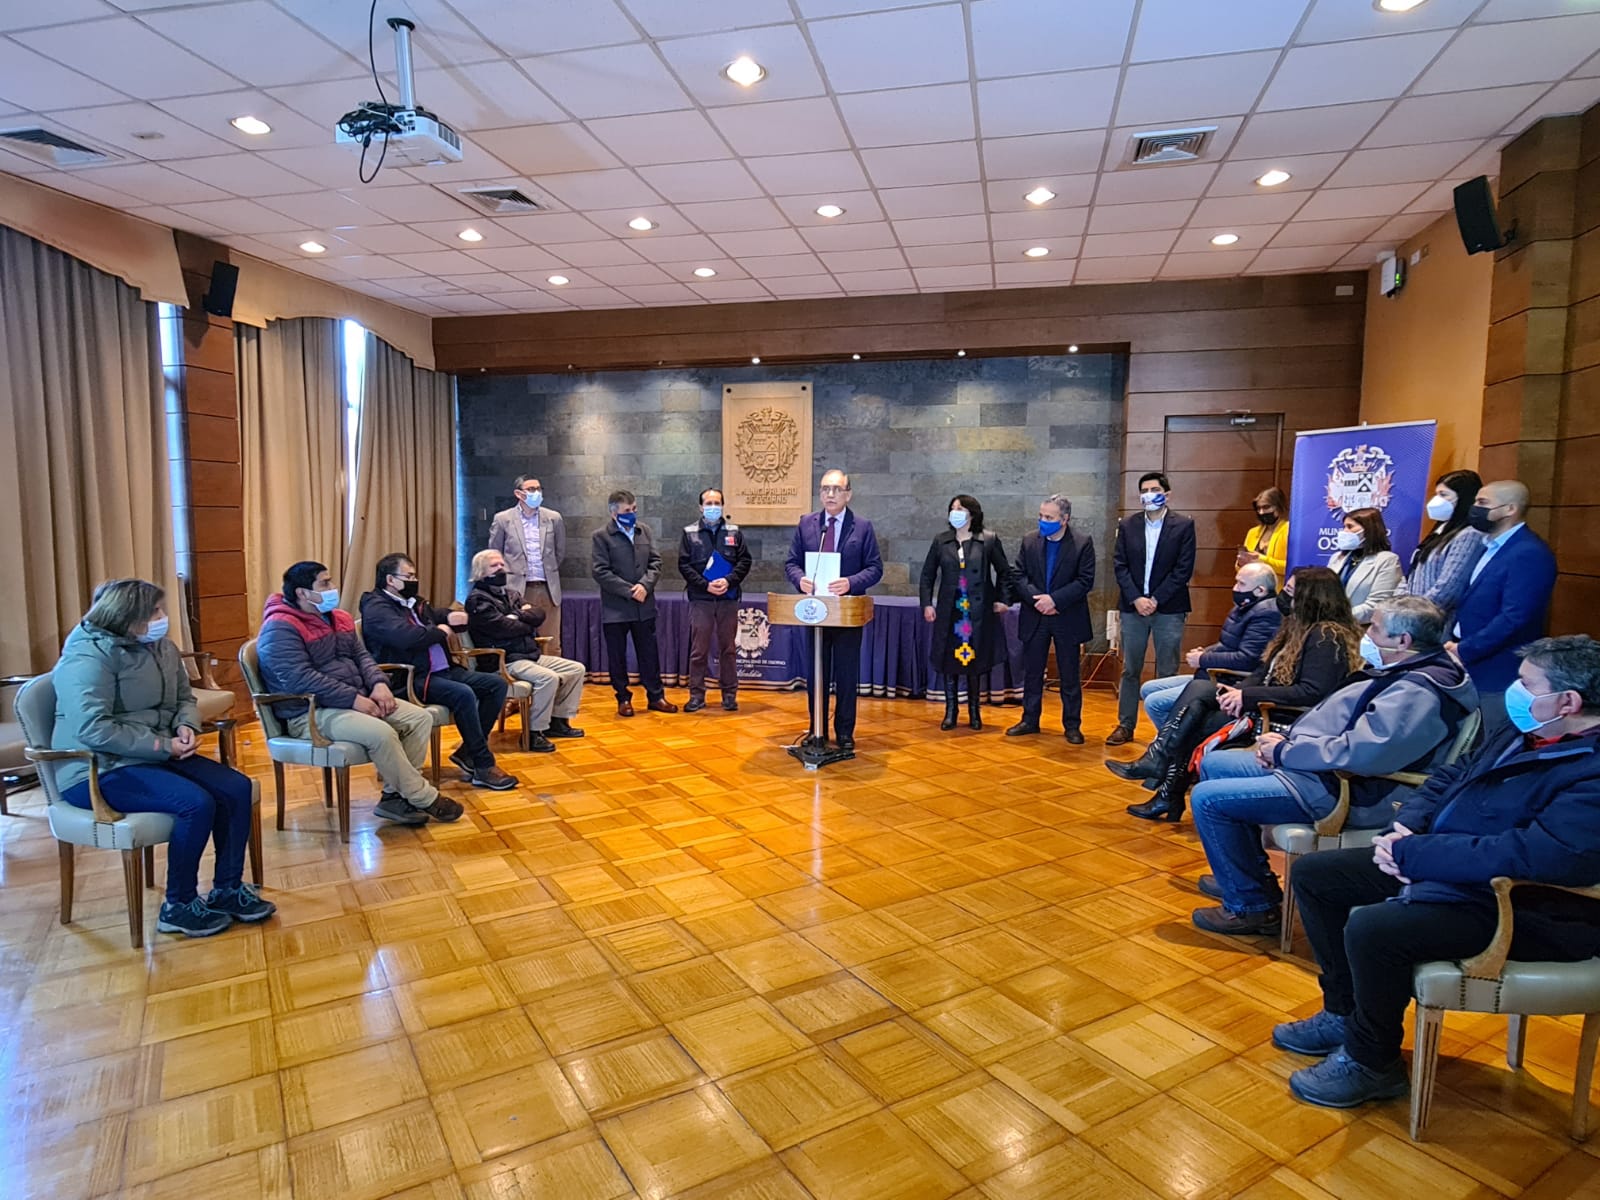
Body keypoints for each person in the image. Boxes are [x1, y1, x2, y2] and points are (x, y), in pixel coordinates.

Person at [1276, 635, 1600, 1111]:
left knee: (1375, 929)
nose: (1515, 691)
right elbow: (1451, 776)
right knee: (1316, 876)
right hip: (1450, 869)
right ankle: (1343, 1012)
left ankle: (1373, 1061)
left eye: (1527, 684)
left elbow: (1539, 855)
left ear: (1568, 702)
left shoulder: (1591, 771)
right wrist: (1406, 826)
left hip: (1525, 907)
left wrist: (1416, 855)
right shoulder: (1525, 731)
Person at [1187, 596, 1477, 936]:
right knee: (1216, 763)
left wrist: (1285, 752)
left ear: (1403, 641)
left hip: (1348, 788)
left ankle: (1251, 908)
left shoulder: (1419, 690)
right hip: (1318, 769)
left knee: (1208, 800)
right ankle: (1249, 882)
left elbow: (1363, 752)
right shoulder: (1409, 669)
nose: (1367, 635)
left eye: (1376, 629)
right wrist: (1286, 744)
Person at [53, 579, 275, 937]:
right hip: (96, 768)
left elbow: (184, 698)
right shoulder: (87, 656)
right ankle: (179, 905)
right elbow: (93, 728)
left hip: (155, 755)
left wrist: (186, 725)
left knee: (236, 787)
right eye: (154, 612)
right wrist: (162, 746)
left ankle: (227, 889)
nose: (162, 618)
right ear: (127, 618)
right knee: (194, 803)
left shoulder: (161, 647)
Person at [1117, 567, 1363, 823]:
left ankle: (1163, 776)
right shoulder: (1297, 627)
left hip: (1280, 717)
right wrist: (1239, 692)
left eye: (1290, 591)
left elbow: (1311, 692)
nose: (1283, 596)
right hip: (1262, 702)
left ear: (1312, 598)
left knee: (1195, 713)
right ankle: (1164, 780)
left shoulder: (1326, 637)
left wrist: (1247, 697)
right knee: (1197, 701)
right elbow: (1263, 671)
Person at [261, 561, 461, 824]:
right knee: (381, 733)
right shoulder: (280, 627)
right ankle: (423, 797)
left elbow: (362, 656)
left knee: (419, 718)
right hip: (309, 712)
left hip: (354, 698)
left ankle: (394, 798)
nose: (333, 587)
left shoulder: (339, 618)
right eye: (325, 583)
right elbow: (300, 678)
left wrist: (379, 684)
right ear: (302, 592)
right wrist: (354, 700)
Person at [359, 553, 517, 791]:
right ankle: (483, 765)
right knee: (463, 693)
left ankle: (468, 753)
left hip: (443, 670)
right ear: (390, 580)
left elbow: (431, 616)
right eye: (409, 576)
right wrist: (440, 631)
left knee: (496, 684)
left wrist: (448, 616)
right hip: (413, 677)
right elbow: (406, 637)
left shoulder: (412, 601)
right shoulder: (377, 607)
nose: (414, 581)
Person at [1120, 560, 1282, 743]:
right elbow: (1227, 644)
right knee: (1148, 688)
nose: (1235, 588)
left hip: (1228, 681)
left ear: (1260, 590)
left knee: (1154, 703)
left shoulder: (1266, 614)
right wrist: (1205, 652)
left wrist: (1204, 659)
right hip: (1211, 674)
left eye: (1241, 584)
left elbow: (1247, 659)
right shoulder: (1246, 607)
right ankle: (1177, 740)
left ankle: (1173, 746)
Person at [784, 469, 883, 752]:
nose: (830, 494)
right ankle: (817, 728)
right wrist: (800, 579)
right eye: (825, 489)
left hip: (846, 612)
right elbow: (791, 563)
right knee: (817, 674)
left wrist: (851, 582)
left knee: (846, 674)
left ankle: (844, 731)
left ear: (848, 494)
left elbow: (875, 568)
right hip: (814, 611)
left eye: (837, 489)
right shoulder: (807, 523)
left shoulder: (862, 527)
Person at [1448, 479, 1558, 731]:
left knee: (1487, 736)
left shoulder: (1529, 552)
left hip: (1496, 668)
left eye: (1483, 502)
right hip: (1467, 661)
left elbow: (1515, 617)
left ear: (1510, 509)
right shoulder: (1487, 547)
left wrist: (1465, 649)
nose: (1475, 508)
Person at [463, 549, 587, 751]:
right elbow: (503, 628)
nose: (501, 569)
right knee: (548, 678)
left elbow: (539, 614)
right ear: (480, 572)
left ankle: (557, 721)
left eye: (502, 564)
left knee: (576, 669)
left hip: (529, 655)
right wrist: (525, 621)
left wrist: (517, 617)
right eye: (494, 566)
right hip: (505, 660)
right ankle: (534, 732)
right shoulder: (478, 600)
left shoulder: (512, 594)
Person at [1109, 471, 1197, 746]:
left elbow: (1183, 569)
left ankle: (1166, 732)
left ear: (1167, 494)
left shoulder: (1183, 525)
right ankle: (1125, 725)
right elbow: (1120, 565)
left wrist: (1156, 599)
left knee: (1167, 670)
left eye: (1154, 489)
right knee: (1130, 669)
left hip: (1169, 609)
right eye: (1144, 490)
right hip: (1133, 607)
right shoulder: (1128, 525)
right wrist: (1136, 598)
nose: (1149, 494)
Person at [920, 494, 1015, 733]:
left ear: (972, 514)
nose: (955, 512)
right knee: (949, 660)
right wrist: (927, 604)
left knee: (975, 660)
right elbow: (927, 575)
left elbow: (1005, 572)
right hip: (950, 612)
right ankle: (951, 711)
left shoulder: (988, 540)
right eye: (952, 508)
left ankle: (974, 711)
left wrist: (1003, 600)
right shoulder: (941, 541)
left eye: (960, 509)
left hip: (977, 612)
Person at [1004, 494, 1093, 742]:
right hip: (1036, 615)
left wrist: (1054, 600)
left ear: (1064, 519)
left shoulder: (1082, 543)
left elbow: (1085, 580)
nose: (1043, 521)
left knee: (1069, 675)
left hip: (1067, 616)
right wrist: (1039, 600)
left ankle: (1072, 725)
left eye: (1049, 517)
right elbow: (1019, 575)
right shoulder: (1029, 540)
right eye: (1041, 516)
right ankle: (1029, 720)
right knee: (1032, 672)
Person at [593, 490, 678, 717]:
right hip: (616, 609)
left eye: (634, 509)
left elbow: (655, 562)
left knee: (649, 653)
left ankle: (656, 697)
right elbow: (600, 571)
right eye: (626, 511)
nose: (631, 514)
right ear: (613, 513)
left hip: (644, 606)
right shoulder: (601, 536)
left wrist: (644, 586)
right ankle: (623, 698)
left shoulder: (644, 531)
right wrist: (630, 591)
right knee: (617, 656)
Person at [678, 487, 753, 713]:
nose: (713, 507)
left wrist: (728, 581)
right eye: (708, 504)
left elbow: (745, 561)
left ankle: (729, 695)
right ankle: (696, 696)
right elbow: (684, 565)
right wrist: (705, 585)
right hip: (701, 599)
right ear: (701, 507)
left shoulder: (734, 532)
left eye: (717, 503)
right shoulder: (689, 532)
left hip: (728, 599)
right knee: (699, 650)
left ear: (722, 505)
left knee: (728, 649)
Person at [489, 474, 566, 656]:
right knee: (520, 640)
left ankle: (554, 673)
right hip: (516, 589)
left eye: (539, 489)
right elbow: (494, 553)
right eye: (531, 489)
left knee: (551, 641)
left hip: (547, 589)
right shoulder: (503, 519)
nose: (536, 493)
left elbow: (560, 552)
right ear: (518, 494)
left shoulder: (553, 518)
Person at [1399, 468, 1485, 627]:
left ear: (1464, 498)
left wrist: (1415, 615)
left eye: (1444, 495)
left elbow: (1448, 588)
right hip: (1412, 620)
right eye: (1436, 494)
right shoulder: (1439, 531)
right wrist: (1398, 609)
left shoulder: (1469, 534)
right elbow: (1411, 576)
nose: (1436, 500)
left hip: (1433, 624)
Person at [1326, 507, 1401, 625]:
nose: (1344, 531)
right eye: (1344, 527)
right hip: (1329, 625)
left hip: (1360, 628)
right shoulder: (1337, 557)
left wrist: (1338, 618)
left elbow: (1377, 605)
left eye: (1350, 527)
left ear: (1369, 530)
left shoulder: (1387, 560)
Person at [1238, 487, 1289, 579]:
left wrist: (1261, 560)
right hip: (1251, 585)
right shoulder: (1252, 532)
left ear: (1279, 507)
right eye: (1258, 508)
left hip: (1277, 586)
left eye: (1266, 507)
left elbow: (1290, 567)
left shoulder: (1289, 530)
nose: (1261, 512)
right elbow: (1239, 569)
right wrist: (1240, 563)